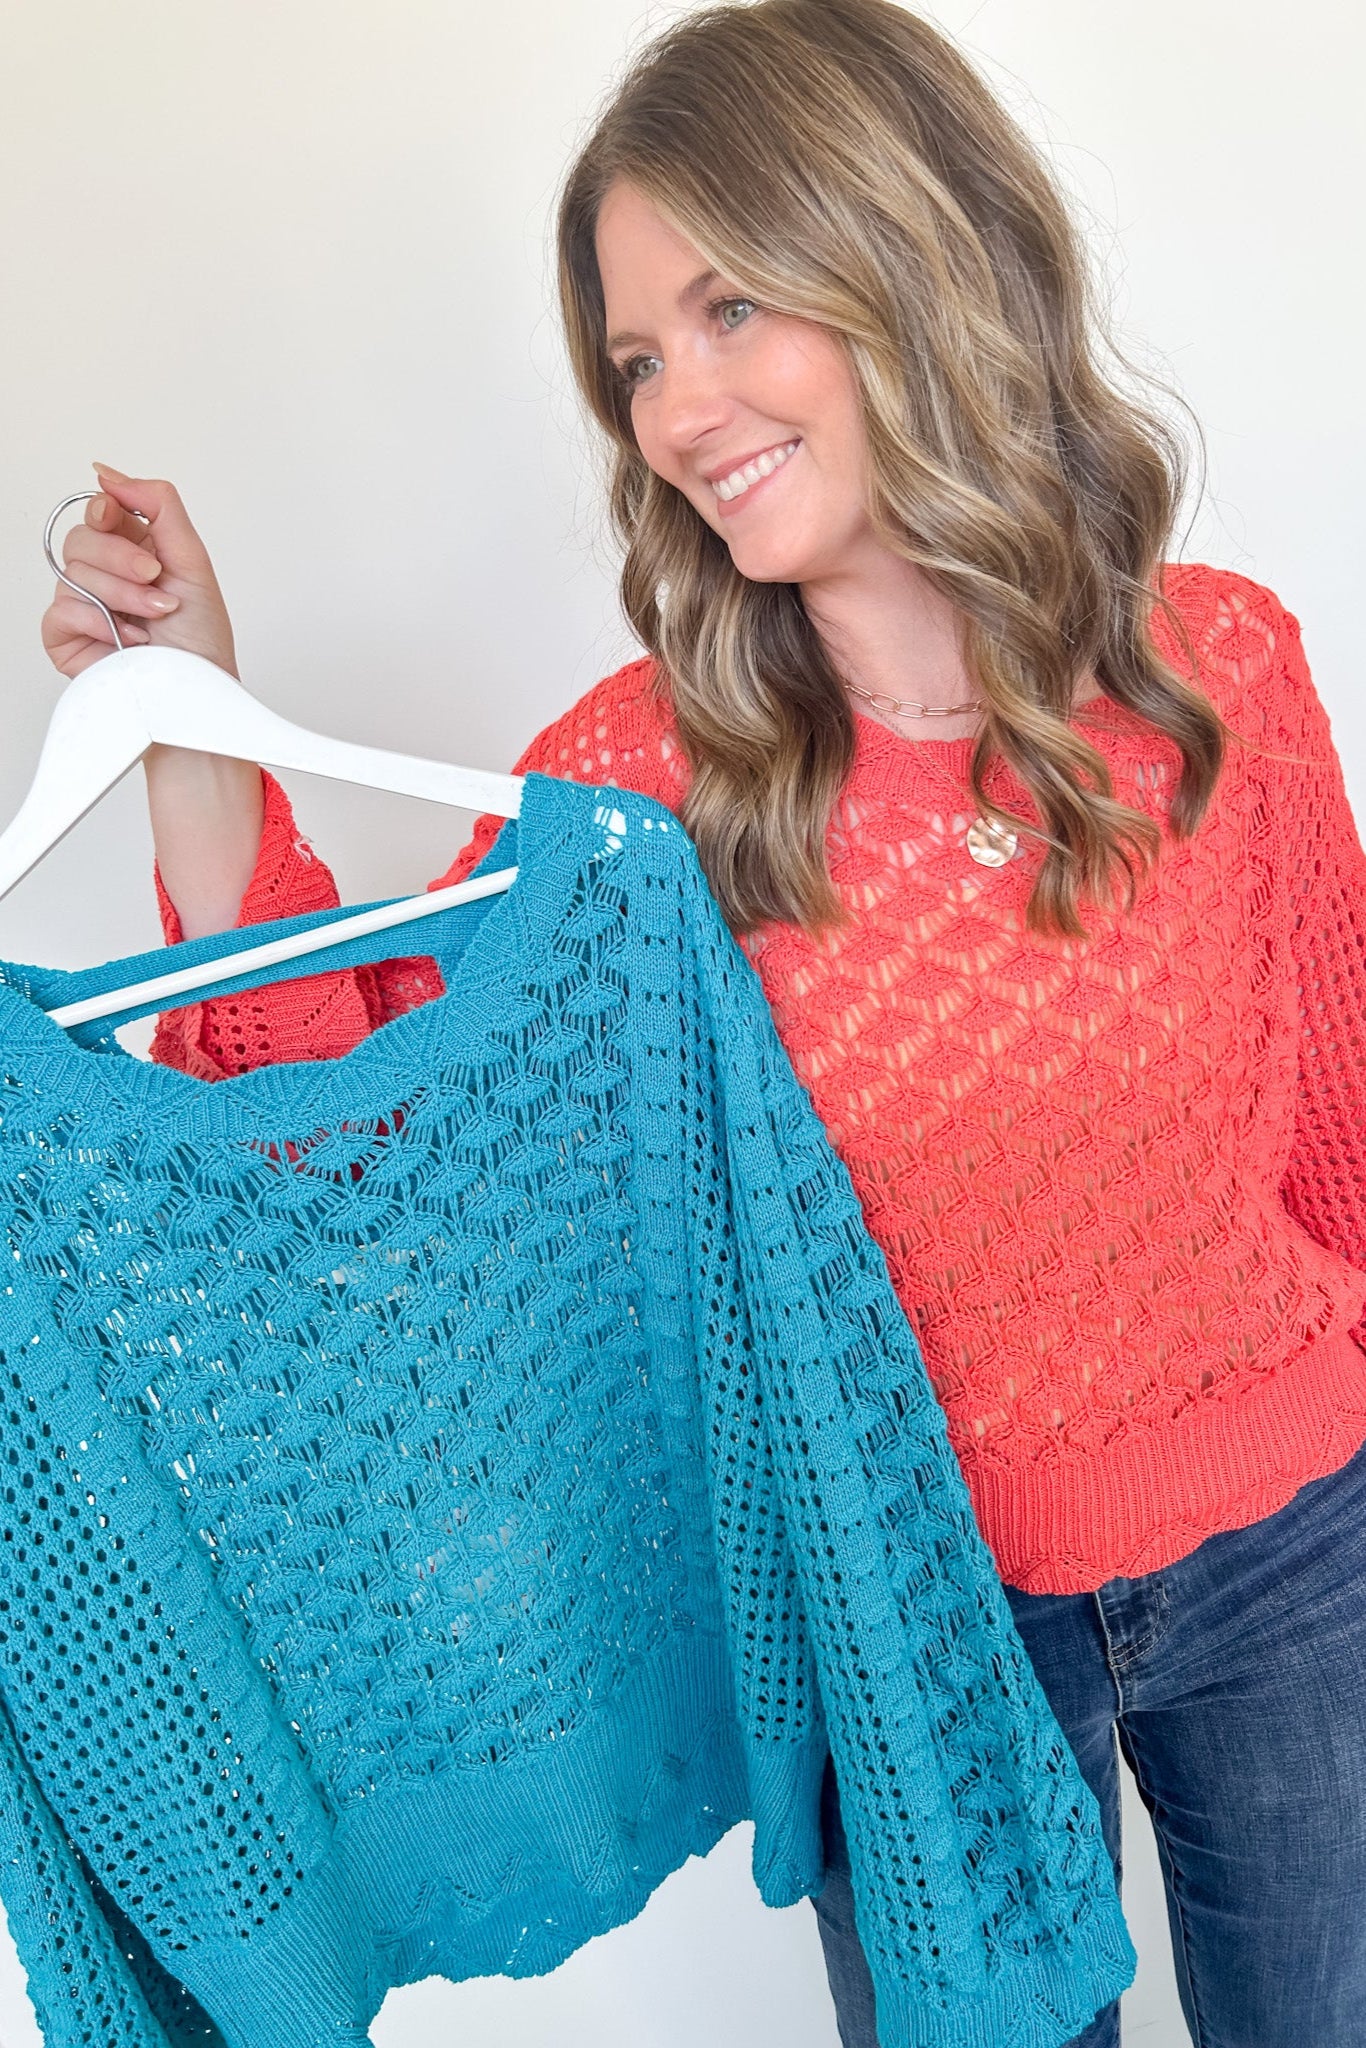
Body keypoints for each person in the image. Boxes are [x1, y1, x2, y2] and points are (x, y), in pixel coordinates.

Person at [39, 3, 1366, 2043]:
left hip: (1302, 1555)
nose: (674, 410)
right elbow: (358, 1142)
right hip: (903, 1621)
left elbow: (1333, 1148)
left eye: (726, 309)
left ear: (904, 249)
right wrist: (194, 735)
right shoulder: (640, 805)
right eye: (636, 359)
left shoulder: (1225, 673)